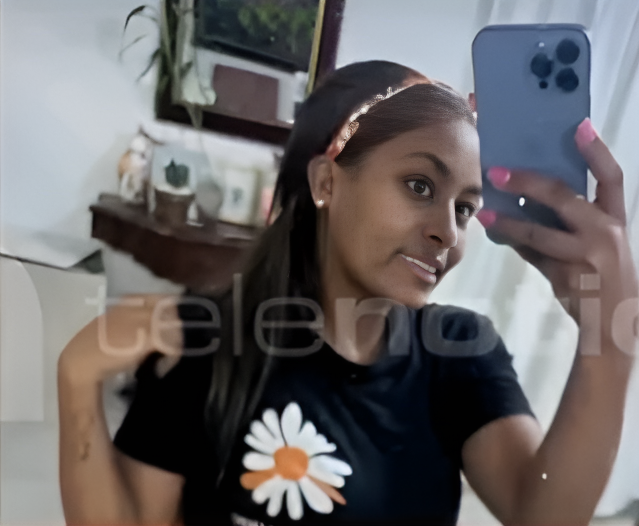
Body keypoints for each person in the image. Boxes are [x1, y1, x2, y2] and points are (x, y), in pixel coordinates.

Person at [58, 60, 638, 526]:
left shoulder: (460, 351)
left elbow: (542, 514)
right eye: (420, 185)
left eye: (465, 207)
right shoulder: (208, 344)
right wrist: (76, 382)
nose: (448, 231)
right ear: (326, 181)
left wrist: (610, 341)